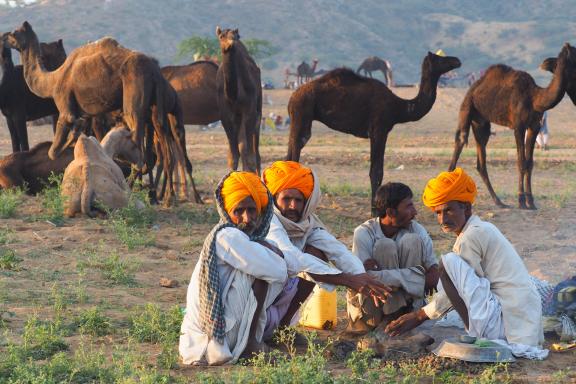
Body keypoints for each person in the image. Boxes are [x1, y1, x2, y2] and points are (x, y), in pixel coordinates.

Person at [385, 168, 547, 359]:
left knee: (448, 263)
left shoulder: (473, 235)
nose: (443, 219)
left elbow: (457, 289)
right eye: (438, 212)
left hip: (509, 325)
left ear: (467, 208)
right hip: (519, 324)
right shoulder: (480, 228)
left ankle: (478, 334)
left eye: (449, 210)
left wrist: (419, 316)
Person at [262, 161, 391, 332]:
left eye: (298, 200)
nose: (293, 206)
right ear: (274, 199)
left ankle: (282, 328)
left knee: (317, 253)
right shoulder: (267, 221)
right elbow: (293, 257)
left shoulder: (307, 223)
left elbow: (337, 250)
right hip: (257, 295)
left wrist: (362, 277)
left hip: (281, 291)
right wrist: (348, 280)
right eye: (286, 199)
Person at [179, 172, 288, 365]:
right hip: (214, 337)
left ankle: (252, 339)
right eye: (239, 210)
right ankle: (250, 346)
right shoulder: (229, 236)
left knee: (262, 262)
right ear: (227, 211)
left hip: (200, 341)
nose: (247, 218)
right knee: (260, 272)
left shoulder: (232, 236)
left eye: (253, 210)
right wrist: (274, 253)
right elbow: (278, 272)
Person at [347, 182, 439, 333]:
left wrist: (381, 277)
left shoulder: (416, 229)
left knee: (412, 240)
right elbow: (363, 279)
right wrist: (418, 279)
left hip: (409, 312)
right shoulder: (364, 233)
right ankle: (388, 317)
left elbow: (434, 274)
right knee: (385, 246)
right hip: (372, 314)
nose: (414, 211)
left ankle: (403, 313)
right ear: (390, 212)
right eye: (408, 206)